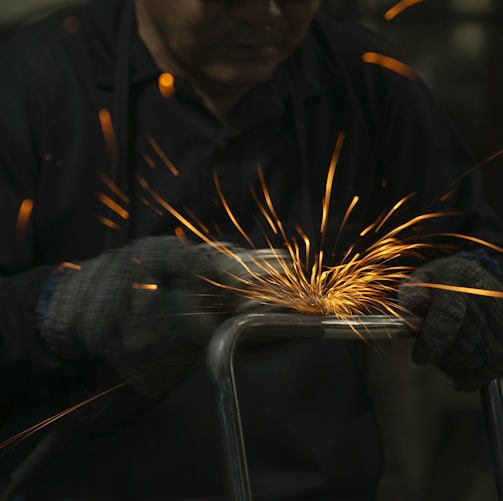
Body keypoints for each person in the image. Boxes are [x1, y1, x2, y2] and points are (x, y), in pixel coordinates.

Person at [0, 0, 502, 499]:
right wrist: (63, 307)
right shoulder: (28, 85)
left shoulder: (368, 80)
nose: (264, 14)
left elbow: (475, 245)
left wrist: (474, 284)